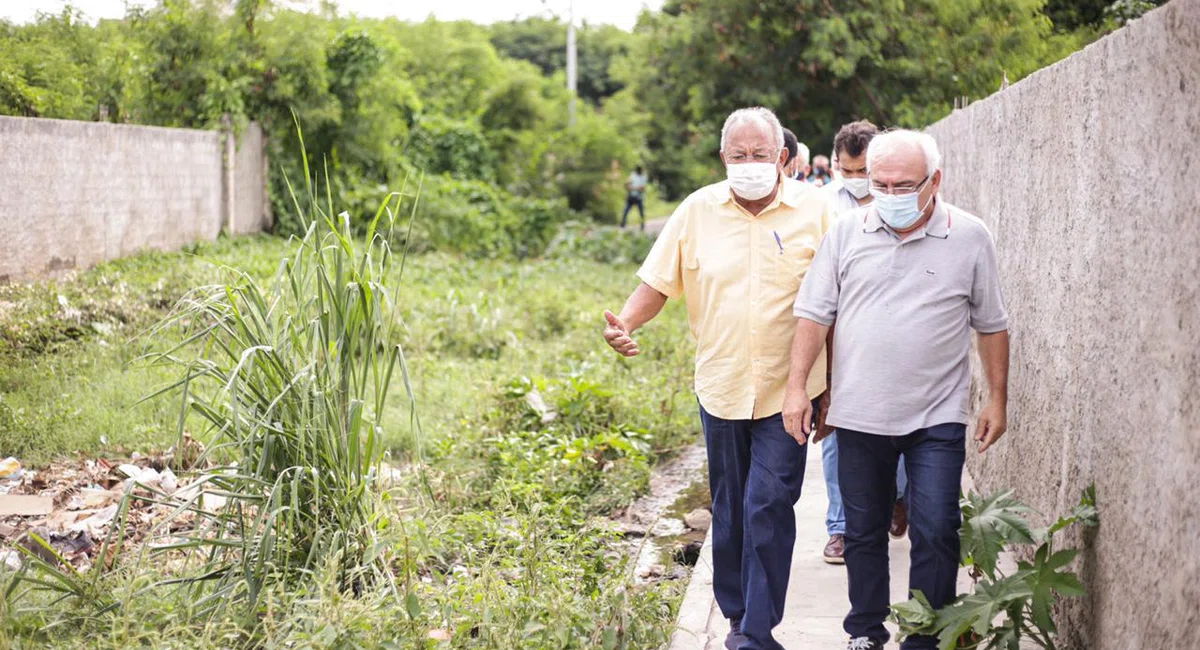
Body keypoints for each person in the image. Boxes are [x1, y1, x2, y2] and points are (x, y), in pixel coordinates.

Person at [603, 107, 831, 650]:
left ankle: (755, 633)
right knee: (730, 507)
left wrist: (834, 387)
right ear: (723, 157)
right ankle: (735, 613)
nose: (749, 164)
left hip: (791, 390)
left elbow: (838, 304)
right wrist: (626, 323)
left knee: (770, 504)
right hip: (722, 384)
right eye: (738, 155)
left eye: (760, 155)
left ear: (783, 157)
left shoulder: (817, 212)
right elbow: (659, 281)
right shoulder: (696, 211)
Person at [783, 129, 1010, 650]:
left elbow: (992, 324)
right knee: (863, 533)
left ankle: (925, 635)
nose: (890, 195)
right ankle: (864, 630)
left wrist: (998, 399)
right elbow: (813, 315)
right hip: (860, 415)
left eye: (903, 185)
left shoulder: (971, 236)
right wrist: (799, 389)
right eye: (880, 184)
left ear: (935, 181)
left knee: (936, 528)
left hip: (937, 417)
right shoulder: (846, 231)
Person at [816, 119, 909, 566]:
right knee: (835, 429)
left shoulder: (908, 203)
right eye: (846, 171)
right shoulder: (821, 207)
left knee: (904, 425)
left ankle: (898, 496)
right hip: (840, 336)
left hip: (898, 336)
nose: (854, 181)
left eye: (862, 172)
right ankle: (841, 527)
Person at [621, 165, 649, 230]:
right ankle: (623, 223)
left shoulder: (643, 177)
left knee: (641, 212)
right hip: (631, 196)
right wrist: (633, 188)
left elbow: (642, 188)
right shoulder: (632, 176)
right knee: (626, 211)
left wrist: (633, 188)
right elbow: (626, 184)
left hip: (639, 197)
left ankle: (642, 225)